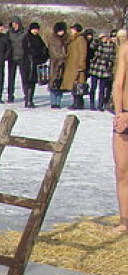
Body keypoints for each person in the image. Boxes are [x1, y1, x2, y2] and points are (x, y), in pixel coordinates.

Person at [111, 38, 128, 235]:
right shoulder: (125, 48)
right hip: (124, 114)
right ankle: (124, 220)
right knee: (122, 170)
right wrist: (119, 113)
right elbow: (118, 84)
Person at [21, 22, 49, 108]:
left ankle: (30, 99)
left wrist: (44, 56)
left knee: (32, 82)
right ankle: (28, 100)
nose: (36, 31)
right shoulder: (27, 38)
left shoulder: (38, 38)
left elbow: (44, 48)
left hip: (36, 62)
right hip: (28, 63)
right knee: (28, 81)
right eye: (34, 29)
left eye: (37, 29)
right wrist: (38, 54)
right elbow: (28, 50)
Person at [89, 31, 116, 111]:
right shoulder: (98, 43)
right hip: (96, 67)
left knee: (102, 88)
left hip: (105, 69)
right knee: (93, 87)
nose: (104, 39)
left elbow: (113, 56)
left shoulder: (112, 45)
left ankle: (100, 105)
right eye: (103, 37)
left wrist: (110, 62)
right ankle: (92, 104)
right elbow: (92, 47)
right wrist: (98, 39)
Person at [63, 23, 88, 110]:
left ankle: (78, 103)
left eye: (72, 29)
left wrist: (81, 65)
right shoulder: (73, 39)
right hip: (72, 65)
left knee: (78, 85)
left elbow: (83, 53)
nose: (71, 31)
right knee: (74, 85)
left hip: (77, 66)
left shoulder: (80, 39)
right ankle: (76, 102)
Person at [48, 21, 69, 109]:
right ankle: (53, 102)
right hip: (55, 63)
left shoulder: (67, 39)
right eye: (60, 31)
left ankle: (58, 101)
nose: (62, 33)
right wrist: (62, 57)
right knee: (53, 81)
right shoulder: (52, 39)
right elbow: (53, 52)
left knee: (60, 82)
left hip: (64, 64)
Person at [7, 16, 26, 102]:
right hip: (12, 57)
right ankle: (10, 96)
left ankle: (26, 95)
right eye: (13, 24)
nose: (15, 25)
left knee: (24, 77)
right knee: (11, 77)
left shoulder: (24, 32)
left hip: (22, 57)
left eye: (16, 24)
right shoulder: (9, 33)